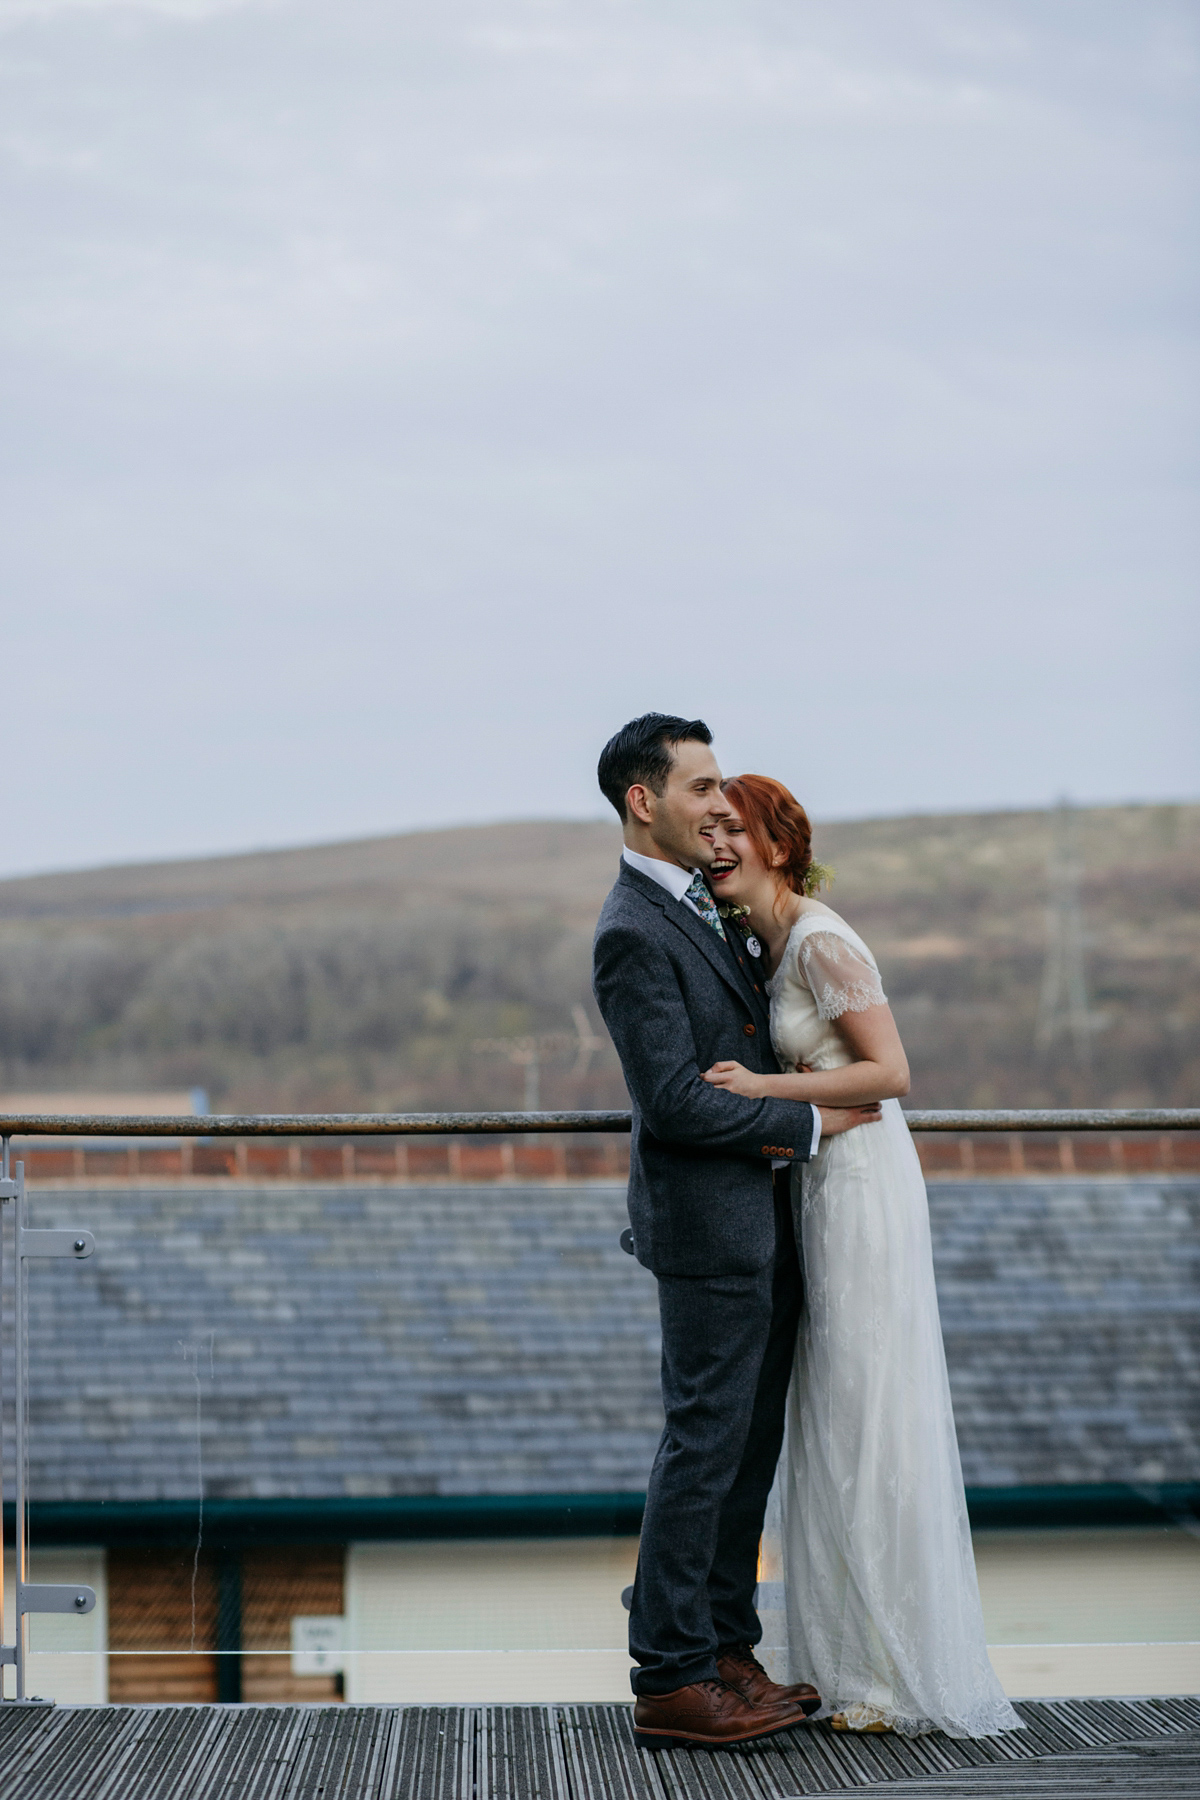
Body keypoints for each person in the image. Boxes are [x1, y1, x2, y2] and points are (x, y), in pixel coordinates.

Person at [700, 773, 1023, 1739]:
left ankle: (888, 1674)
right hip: (817, 1177)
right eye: (709, 830)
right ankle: (849, 1662)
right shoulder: (765, 942)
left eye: (734, 831)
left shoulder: (822, 938)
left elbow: (892, 1073)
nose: (717, 845)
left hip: (863, 1187)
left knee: (869, 1410)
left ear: (778, 845)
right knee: (832, 1414)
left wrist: (758, 1085)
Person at [591, 714, 881, 1752]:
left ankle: (726, 1651)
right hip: (708, 1230)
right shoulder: (633, 927)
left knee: (745, 1448)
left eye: (723, 790)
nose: (722, 804)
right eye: (702, 786)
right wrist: (808, 1118)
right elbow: (674, 1102)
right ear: (643, 799)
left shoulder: (707, 910)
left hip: (762, 1224)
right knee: (704, 1446)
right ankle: (671, 1676)